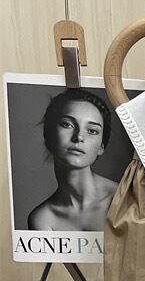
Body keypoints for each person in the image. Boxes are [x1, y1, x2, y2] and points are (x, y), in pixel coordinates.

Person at [27, 88, 119, 231]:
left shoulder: (124, 198)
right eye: (67, 124)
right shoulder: (43, 219)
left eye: (92, 131)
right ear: (49, 135)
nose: (79, 137)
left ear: (101, 147)